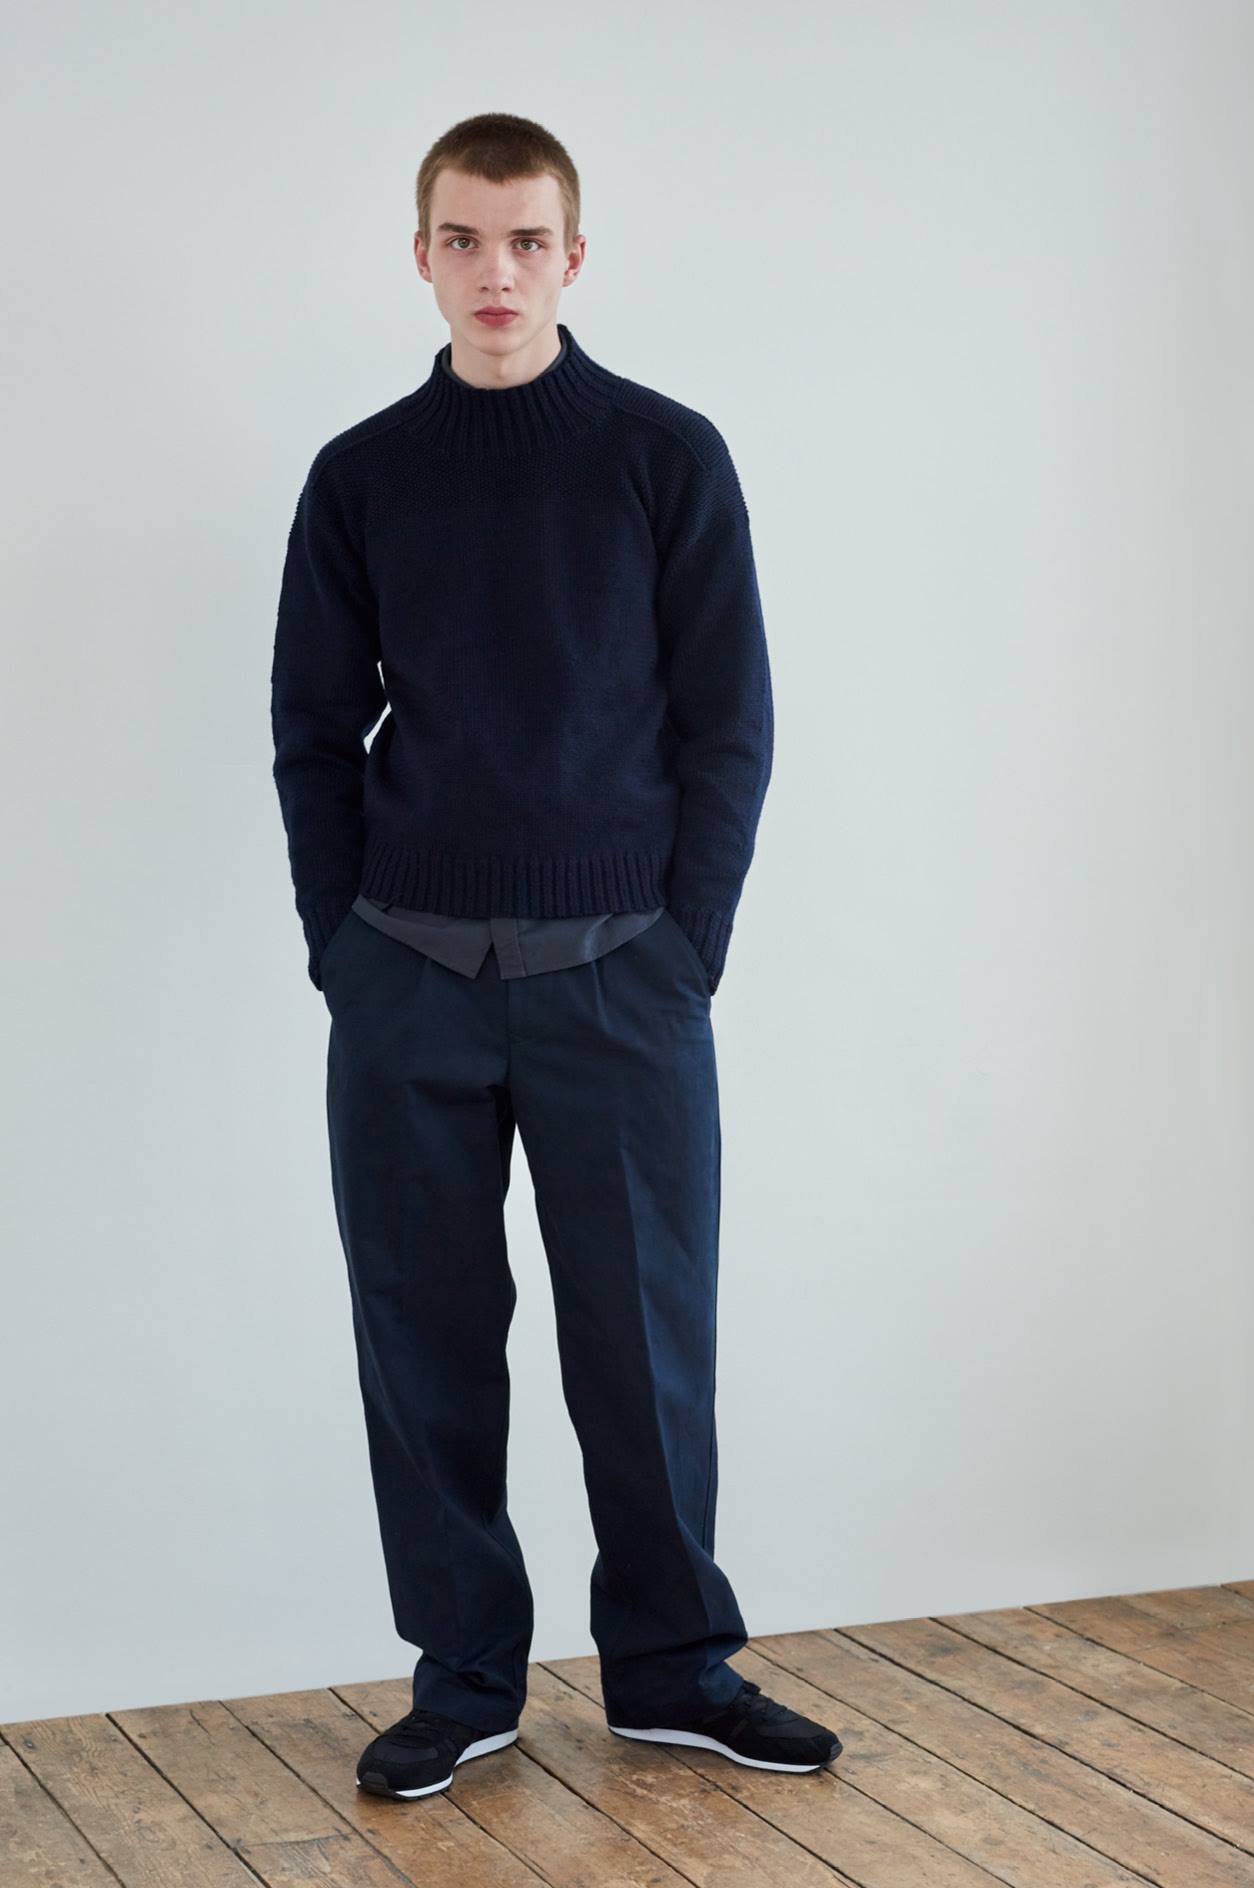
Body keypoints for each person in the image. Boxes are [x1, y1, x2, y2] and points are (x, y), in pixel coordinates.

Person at [270, 111, 842, 1801]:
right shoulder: (362, 474)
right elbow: (311, 730)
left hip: (620, 977)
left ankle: (671, 1667)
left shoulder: (664, 456)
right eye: (463, 239)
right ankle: (465, 1679)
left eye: (526, 240)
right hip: (407, 978)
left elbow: (729, 724)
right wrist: (342, 949)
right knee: (423, 1343)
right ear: (422, 255)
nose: (495, 271)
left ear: (572, 256)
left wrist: (685, 950)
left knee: (644, 1341)